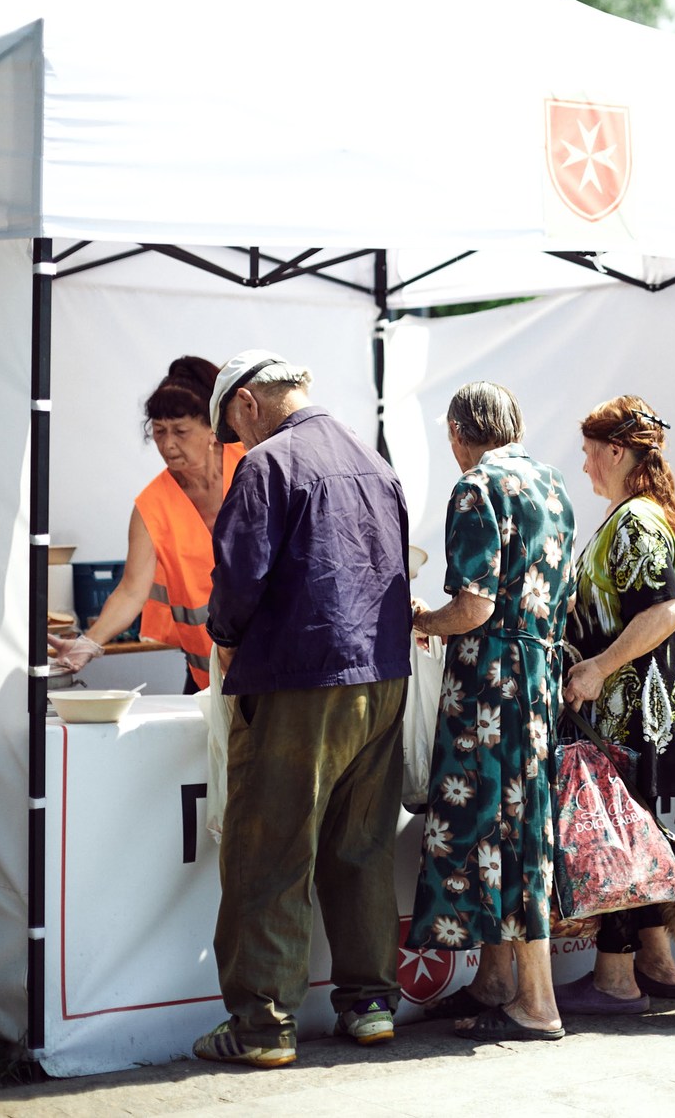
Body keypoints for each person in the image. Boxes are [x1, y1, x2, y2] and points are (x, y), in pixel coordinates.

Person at [194, 351, 411, 1068]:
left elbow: (238, 579)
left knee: (271, 850)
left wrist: (223, 636)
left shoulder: (267, 465)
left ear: (249, 402)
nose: (237, 443)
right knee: (362, 845)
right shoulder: (373, 460)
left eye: (232, 426)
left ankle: (263, 1023)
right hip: (380, 674)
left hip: (299, 675)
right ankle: (372, 1003)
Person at [408, 382, 577, 1042]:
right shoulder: (552, 483)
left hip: (491, 685)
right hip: (536, 679)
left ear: (457, 432)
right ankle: (497, 982)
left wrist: (424, 616)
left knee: (500, 829)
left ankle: (536, 1000)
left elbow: (473, 606)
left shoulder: (477, 487)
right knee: (521, 824)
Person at [555, 395, 675, 1014]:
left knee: (622, 836)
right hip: (648, 708)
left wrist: (596, 666)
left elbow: (666, 609)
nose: (587, 467)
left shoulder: (635, 520)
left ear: (616, 451)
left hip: (636, 710)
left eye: (591, 454)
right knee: (640, 833)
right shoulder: (653, 513)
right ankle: (659, 966)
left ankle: (615, 979)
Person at [50, 357, 244, 693]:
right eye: (158, 431)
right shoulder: (151, 507)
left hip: (271, 669)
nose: (167, 444)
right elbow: (130, 590)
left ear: (213, 429)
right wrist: (88, 643)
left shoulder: (252, 467)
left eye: (180, 431)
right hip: (207, 677)